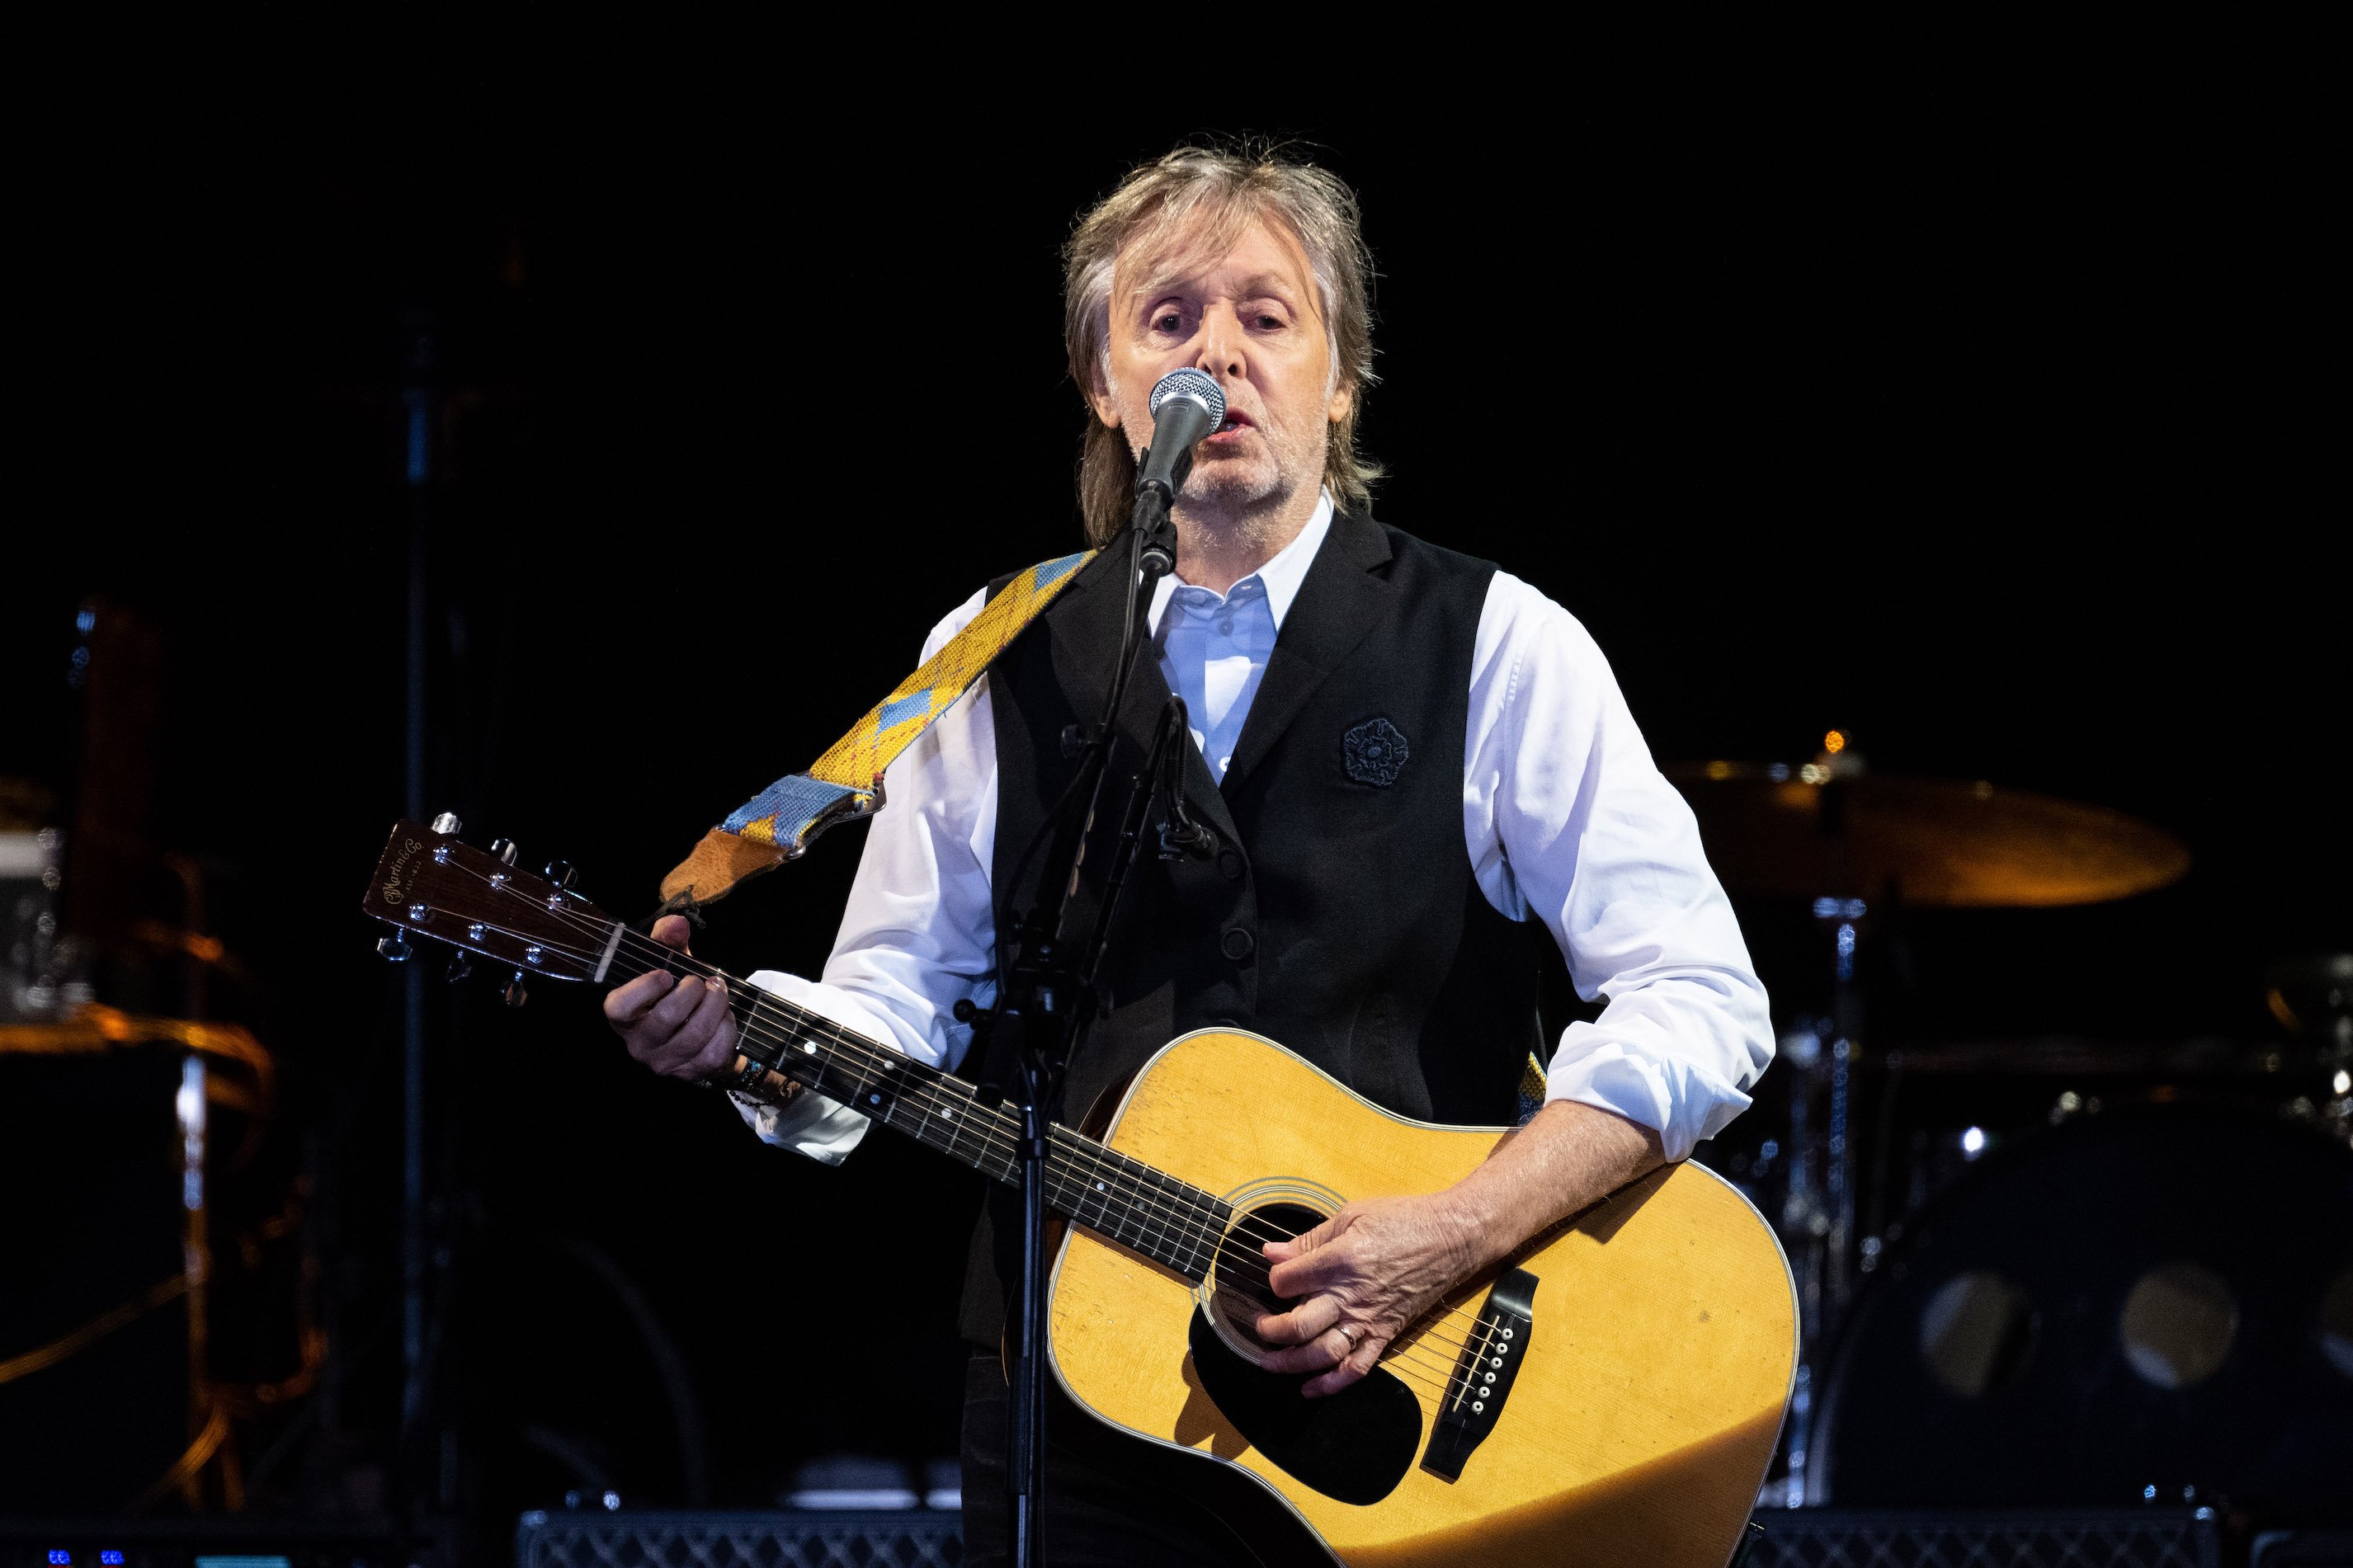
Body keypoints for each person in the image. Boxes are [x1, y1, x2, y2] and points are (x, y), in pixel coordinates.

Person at [603, 142, 1773, 1566]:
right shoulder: (997, 652)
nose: (1218, 349)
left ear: (1340, 379)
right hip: (1079, 1419)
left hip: (1412, 1410)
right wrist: (750, 1044)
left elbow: (1705, 998)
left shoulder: (1502, 644)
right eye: (1167, 320)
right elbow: (896, 1002)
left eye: (1268, 317)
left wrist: (1457, 1233)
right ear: (1109, 389)